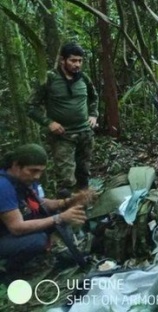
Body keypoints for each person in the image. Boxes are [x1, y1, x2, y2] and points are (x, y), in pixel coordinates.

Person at [0, 144, 88, 276]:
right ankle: (10, 272)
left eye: (41, 171)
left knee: (58, 215)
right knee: (37, 240)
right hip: (5, 234)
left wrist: (67, 202)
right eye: (33, 171)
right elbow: (16, 227)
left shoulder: (25, 179)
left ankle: (61, 252)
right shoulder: (3, 186)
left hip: (14, 227)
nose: (37, 176)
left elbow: (40, 204)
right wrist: (59, 218)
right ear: (16, 165)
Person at [27, 42, 98, 199]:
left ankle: (84, 209)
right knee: (66, 180)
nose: (77, 64)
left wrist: (93, 114)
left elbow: (94, 98)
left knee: (84, 173)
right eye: (73, 60)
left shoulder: (84, 79)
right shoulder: (49, 79)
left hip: (85, 133)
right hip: (63, 136)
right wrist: (49, 123)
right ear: (62, 60)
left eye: (80, 61)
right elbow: (31, 106)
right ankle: (66, 215)